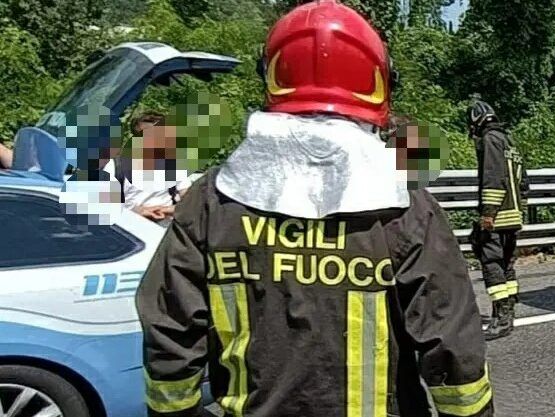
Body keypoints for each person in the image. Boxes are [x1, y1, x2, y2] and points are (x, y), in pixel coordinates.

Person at [136, 1, 494, 416]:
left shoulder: (212, 200)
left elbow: (172, 326)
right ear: (378, 83)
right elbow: (450, 344)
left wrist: (176, 411)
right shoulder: (406, 206)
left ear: (273, 76)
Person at [468, 99, 528, 340]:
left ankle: (501, 318)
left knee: (492, 262)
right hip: (513, 214)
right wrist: (521, 209)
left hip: (499, 216)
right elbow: (523, 181)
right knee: (507, 264)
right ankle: (509, 310)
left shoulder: (490, 140)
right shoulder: (509, 141)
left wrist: (488, 214)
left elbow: (492, 177)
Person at [103, 112, 198, 224]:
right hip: (128, 223)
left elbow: (188, 197)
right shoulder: (115, 167)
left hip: (167, 221)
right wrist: (138, 211)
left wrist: (170, 210)